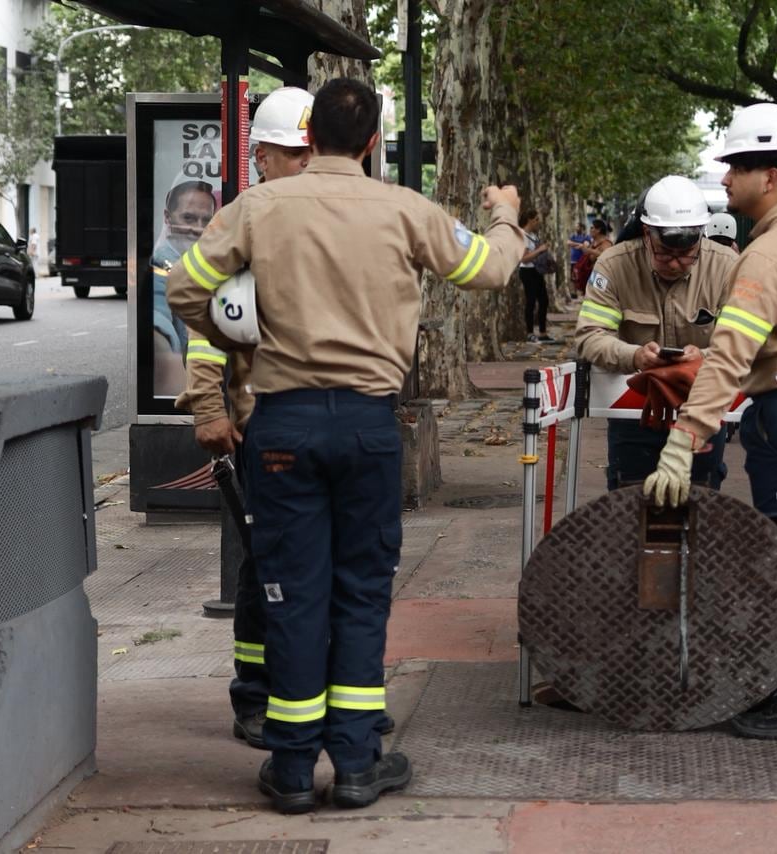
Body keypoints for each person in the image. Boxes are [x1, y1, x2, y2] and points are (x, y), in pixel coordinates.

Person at [168, 77, 525, 814]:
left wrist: (241, 338)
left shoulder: (256, 209)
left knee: (291, 592)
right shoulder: (403, 208)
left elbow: (184, 288)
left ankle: (293, 770)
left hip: (282, 426)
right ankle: (359, 763)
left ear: (308, 139)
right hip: (368, 425)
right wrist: (507, 218)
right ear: (371, 142)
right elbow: (487, 269)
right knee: (361, 593)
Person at [643, 103, 777, 742]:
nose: (725, 180)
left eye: (735, 167)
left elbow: (733, 353)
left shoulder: (765, 256)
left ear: (769, 176)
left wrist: (685, 438)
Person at [174, 85, 315, 755]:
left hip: (326, 422)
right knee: (265, 568)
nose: (304, 165)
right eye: (292, 155)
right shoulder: (241, 225)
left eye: (310, 154)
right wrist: (208, 407)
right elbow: (208, 328)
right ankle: (255, 699)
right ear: (261, 156)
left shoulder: (327, 217)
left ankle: (313, 699)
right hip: (264, 422)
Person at [575, 175, 739, 490]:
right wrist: (633, 356)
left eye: (688, 254)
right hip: (633, 411)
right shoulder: (614, 266)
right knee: (631, 501)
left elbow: (746, 342)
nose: (676, 264)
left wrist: (702, 358)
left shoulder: (727, 267)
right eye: (665, 253)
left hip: (703, 408)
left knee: (701, 500)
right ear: (647, 234)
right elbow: (590, 336)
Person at [152, 173, 218, 395]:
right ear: (168, 218)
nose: (198, 228)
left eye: (206, 220)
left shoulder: (207, 262)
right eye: (188, 219)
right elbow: (158, 319)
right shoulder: (162, 264)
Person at [519, 209, 555, 343]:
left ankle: (543, 332)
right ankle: (529, 333)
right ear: (529, 220)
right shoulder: (522, 235)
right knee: (531, 302)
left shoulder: (534, 235)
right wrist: (540, 249)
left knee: (544, 301)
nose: (538, 223)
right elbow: (524, 259)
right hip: (527, 272)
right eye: (536, 220)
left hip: (537, 271)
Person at [566, 221, 592, 298]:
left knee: (583, 276)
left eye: (578, 226)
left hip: (582, 261)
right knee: (573, 277)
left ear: (581, 228)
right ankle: (574, 293)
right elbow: (568, 243)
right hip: (573, 260)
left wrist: (575, 244)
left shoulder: (586, 236)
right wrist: (579, 244)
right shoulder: (573, 236)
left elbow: (586, 245)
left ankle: (584, 292)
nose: (576, 228)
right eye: (576, 226)